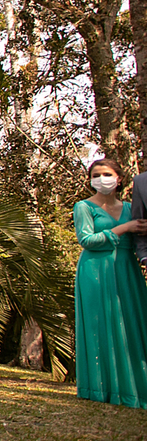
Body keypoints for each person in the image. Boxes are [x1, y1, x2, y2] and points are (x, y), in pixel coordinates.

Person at [73, 158, 147, 408]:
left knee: (133, 322)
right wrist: (125, 228)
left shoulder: (130, 207)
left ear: (119, 179)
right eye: (95, 175)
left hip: (127, 268)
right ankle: (101, 388)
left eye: (106, 174)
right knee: (100, 324)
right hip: (94, 270)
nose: (101, 179)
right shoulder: (83, 206)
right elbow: (86, 240)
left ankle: (136, 390)